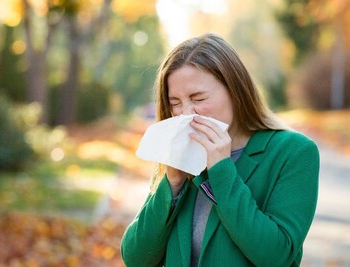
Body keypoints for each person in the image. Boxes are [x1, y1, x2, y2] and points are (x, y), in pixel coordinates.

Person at [121, 33, 319, 267]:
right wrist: (171, 184)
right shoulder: (177, 157)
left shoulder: (294, 152)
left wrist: (222, 172)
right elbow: (135, 258)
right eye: (175, 102)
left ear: (235, 91)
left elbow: (276, 257)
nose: (186, 114)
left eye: (198, 98)